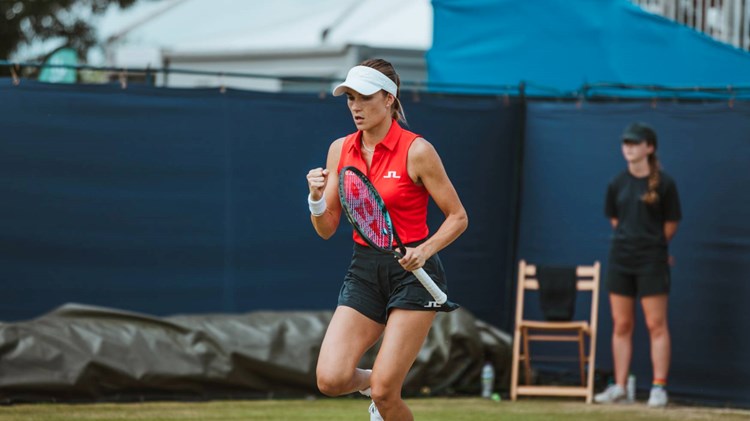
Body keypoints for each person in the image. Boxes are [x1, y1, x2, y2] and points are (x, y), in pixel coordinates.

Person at [306, 59, 468, 421]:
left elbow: (458, 217)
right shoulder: (340, 149)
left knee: (385, 394)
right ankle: (374, 382)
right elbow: (327, 227)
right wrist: (316, 200)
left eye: (364, 97)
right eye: (349, 98)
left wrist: (424, 250)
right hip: (364, 271)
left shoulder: (418, 151)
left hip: (415, 275)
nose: (355, 107)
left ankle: (380, 389)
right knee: (330, 379)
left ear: (389, 98)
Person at [594, 122, 682, 408]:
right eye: (625, 143)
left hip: (652, 261)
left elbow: (670, 225)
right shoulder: (616, 183)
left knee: (655, 324)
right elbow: (616, 220)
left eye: (635, 143)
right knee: (621, 324)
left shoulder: (665, 184)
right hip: (621, 259)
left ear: (649, 147)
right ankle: (620, 387)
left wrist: (652, 246)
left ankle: (659, 387)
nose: (629, 148)